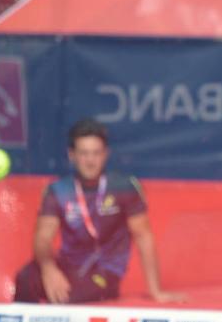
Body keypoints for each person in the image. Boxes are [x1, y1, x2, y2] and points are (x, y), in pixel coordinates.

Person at [13, 118, 186, 305]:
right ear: (72, 155)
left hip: (105, 271)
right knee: (25, 279)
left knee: (66, 297)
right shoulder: (58, 190)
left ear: (105, 154)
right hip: (68, 265)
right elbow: (43, 238)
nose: (90, 161)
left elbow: (143, 236)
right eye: (84, 153)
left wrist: (155, 291)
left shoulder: (124, 187)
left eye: (96, 153)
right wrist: (49, 270)